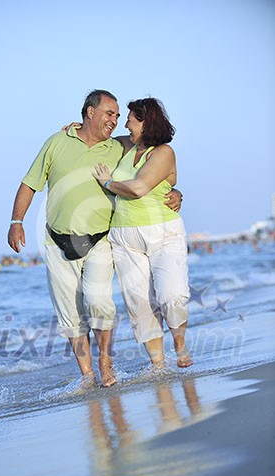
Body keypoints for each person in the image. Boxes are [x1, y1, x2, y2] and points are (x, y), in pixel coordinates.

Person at [8, 90, 183, 387]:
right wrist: (16, 221)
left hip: (101, 239)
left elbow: (155, 158)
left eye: (118, 116)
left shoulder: (118, 147)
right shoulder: (57, 142)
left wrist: (176, 191)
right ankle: (87, 376)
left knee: (100, 302)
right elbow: (30, 183)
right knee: (70, 315)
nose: (115, 121)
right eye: (109, 113)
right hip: (56, 241)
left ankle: (105, 362)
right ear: (90, 112)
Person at [92, 97, 193, 368]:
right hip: (124, 237)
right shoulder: (127, 146)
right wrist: (77, 126)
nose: (125, 123)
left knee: (171, 296)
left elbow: (138, 188)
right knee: (140, 305)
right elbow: (95, 136)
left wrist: (108, 182)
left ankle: (180, 346)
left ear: (146, 122)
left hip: (163, 232)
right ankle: (158, 365)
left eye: (130, 119)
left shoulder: (163, 152)